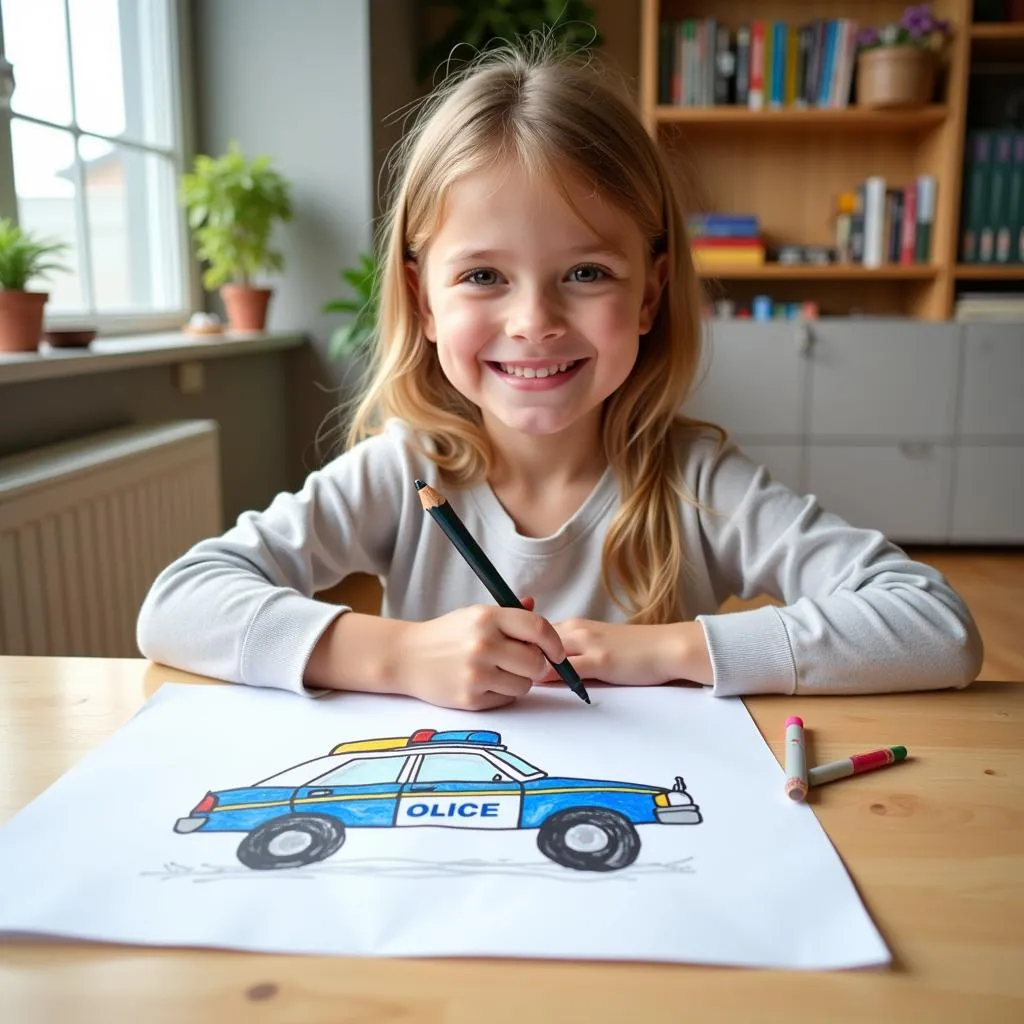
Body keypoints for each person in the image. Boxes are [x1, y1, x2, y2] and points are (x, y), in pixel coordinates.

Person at [137, 42, 983, 710]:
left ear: (650, 294)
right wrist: (394, 655)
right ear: (421, 301)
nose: (533, 321)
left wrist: (674, 650)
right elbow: (177, 604)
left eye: (585, 273)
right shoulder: (403, 471)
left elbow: (934, 626)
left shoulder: (697, 485)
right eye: (482, 277)